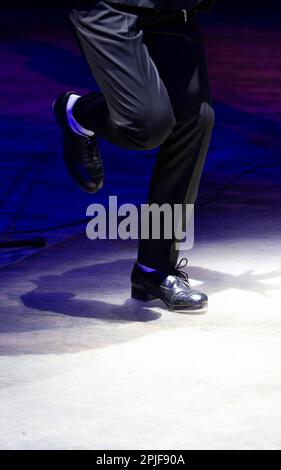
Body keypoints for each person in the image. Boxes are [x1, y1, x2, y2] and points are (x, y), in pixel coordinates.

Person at [53, 0, 216, 312]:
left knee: (197, 119)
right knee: (146, 125)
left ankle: (154, 270)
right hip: (110, 6)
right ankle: (78, 112)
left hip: (173, 8)